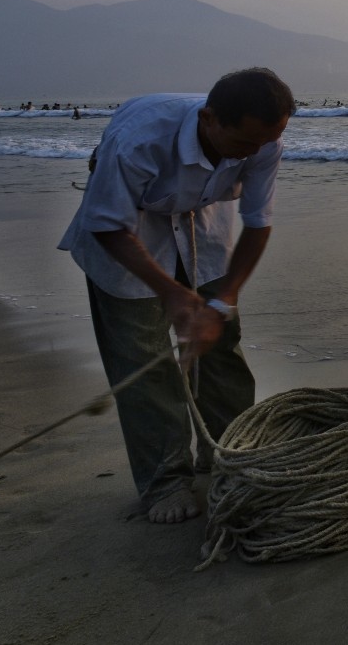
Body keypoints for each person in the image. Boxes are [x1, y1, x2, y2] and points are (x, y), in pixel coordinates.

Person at [57, 67, 294, 524]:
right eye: (245, 144)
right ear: (209, 119)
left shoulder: (265, 139)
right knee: (144, 360)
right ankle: (164, 480)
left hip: (203, 222)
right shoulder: (139, 140)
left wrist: (224, 300)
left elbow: (258, 221)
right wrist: (172, 295)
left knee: (220, 341)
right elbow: (108, 224)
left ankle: (231, 453)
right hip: (129, 227)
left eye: (267, 142)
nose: (257, 152)